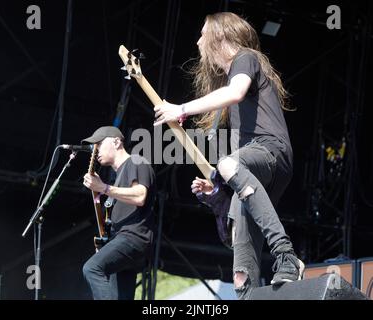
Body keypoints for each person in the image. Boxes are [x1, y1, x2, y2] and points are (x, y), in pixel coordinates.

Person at [153, 12, 304, 299]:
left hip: (271, 150)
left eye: (202, 34)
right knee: (240, 272)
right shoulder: (234, 88)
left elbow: (235, 92)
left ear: (220, 35)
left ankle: (286, 254)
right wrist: (220, 186)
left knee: (228, 163)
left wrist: (182, 108)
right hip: (255, 168)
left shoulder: (245, 57)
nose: (198, 41)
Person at [81, 126, 156, 300]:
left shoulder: (136, 161)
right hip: (123, 241)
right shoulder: (119, 176)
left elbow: (140, 196)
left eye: (99, 144)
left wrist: (104, 188)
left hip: (132, 238)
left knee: (92, 268)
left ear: (116, 142)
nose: (95, 150)